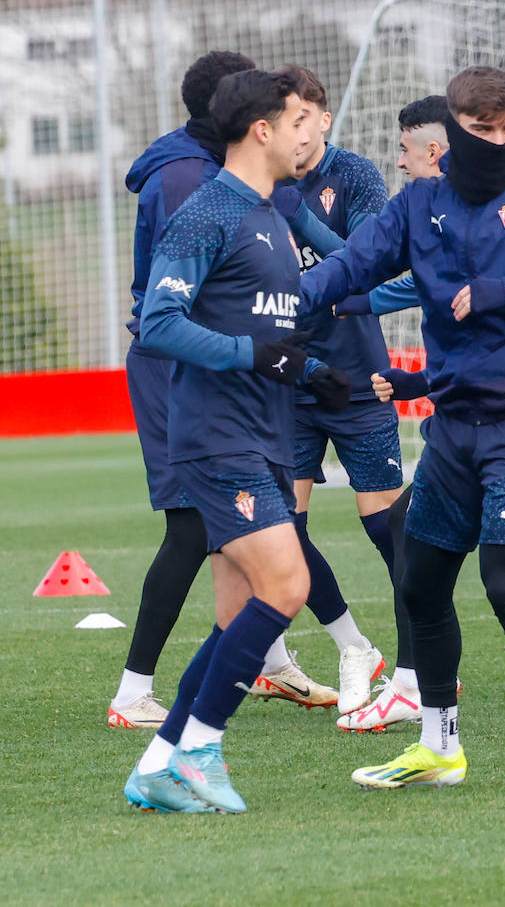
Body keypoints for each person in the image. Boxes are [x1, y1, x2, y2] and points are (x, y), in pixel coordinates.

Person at [299, 66, 505, 794]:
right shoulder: (418, 205)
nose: (500, 143)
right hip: (454, 424)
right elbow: (351, 266)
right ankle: (439, 747)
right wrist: (277, 304)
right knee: (420, 580)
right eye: (484, 132)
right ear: (453, 131)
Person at [124, 69, 350, 813]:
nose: (308, 133)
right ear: (262, 130)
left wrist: (311, 370)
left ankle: (158, 763)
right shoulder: (206, 211)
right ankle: (201, 751)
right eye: (297, 122)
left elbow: (263, 327)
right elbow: (159, 326)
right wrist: (254, 357)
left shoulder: (271, 213)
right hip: (216, 439)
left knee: (234, 620)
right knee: (287, 586)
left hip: (263, 432)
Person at [110, 50, 255, 730]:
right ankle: (133, 692)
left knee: (255, 515)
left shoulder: (223, 167)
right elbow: (174, 307)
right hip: (175, 364)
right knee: (192, 524)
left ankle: (269, 659)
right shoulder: (182, 179)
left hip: (218, 364)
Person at [250, 63, 397, 716]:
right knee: (284, 530)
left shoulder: (357, 175)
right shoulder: (257, 180)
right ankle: (353, 644)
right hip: (287, 381)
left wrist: (300, 222)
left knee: (389, 530)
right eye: (288, 120)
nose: (298, 133)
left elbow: (364, 265)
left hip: (358, 379)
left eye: (307, 118)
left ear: (325, 118)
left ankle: (422, 667)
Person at [333, 93, 452, 733]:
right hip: (485, 410)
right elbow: (408, 284)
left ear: (435, 151)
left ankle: (415, 685)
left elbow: (483, 318)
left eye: (405, 150)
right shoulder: (435, 211)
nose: (398, 162)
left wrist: (417, 383)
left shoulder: (476, 214)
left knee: (502, 577)